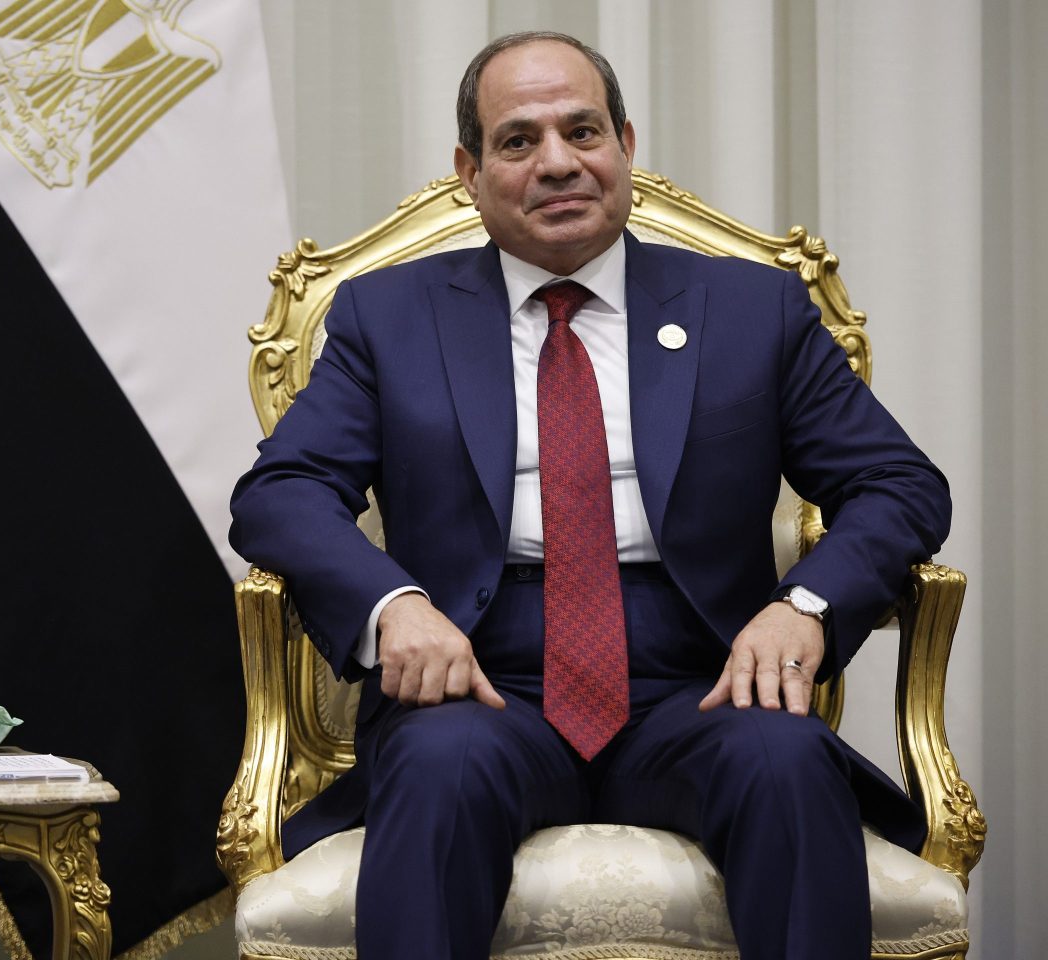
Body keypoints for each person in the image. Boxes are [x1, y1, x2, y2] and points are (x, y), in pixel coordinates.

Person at [229, 30, 950, 960]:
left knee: (788, 760)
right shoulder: (390, 316)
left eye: (583, 131)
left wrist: (804, 605)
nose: (559, 162)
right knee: (439, 767)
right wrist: (392, 604)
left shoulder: (750, 309)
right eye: (519, 140)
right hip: (478, 687)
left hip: (705, 682)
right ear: (470, 171)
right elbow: (280, 492)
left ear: (627, 146)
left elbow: (897, 483)